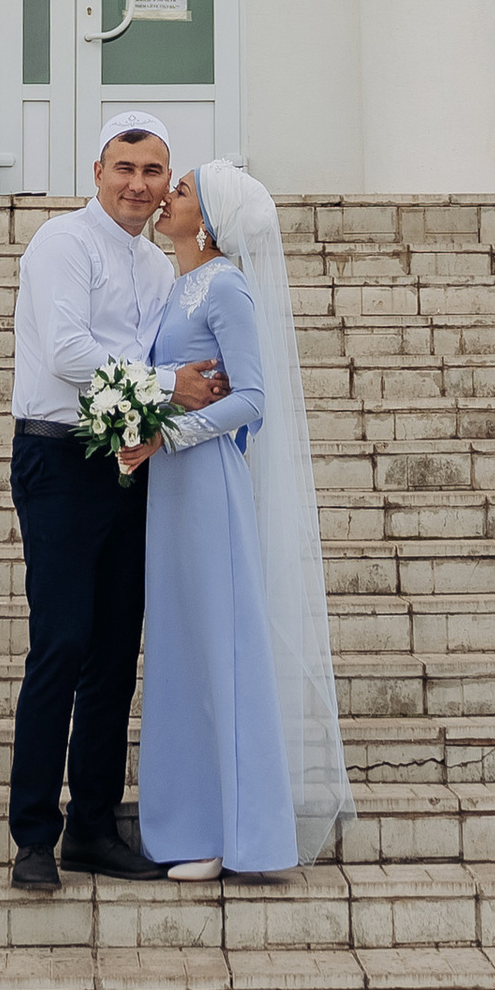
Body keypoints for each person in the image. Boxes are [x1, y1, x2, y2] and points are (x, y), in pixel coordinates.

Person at [7, 116, 228, 893]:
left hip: (127, 462)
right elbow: (69, 354)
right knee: (60, 647)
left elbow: (156, 356)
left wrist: (171, 411)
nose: (139, 183)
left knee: (113, 656)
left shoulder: (155, 266)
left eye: (155, 170)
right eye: (124, 166)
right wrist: (172, 386)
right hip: (59, 457)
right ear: (96, 168)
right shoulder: (61, 245)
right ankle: (34, 835)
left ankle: (93, 828)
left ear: (170, 182)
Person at [121, 159, 352, 878]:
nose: (166, 197)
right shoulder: (177, 287)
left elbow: (252, 398)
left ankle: (237, 833)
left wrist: (170, 434)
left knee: (219, 647)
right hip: (169, 489)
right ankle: (190, 823)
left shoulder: (226, 287)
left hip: (207, 485)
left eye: (181, 191)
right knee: (184, 650)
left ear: (211, 220)